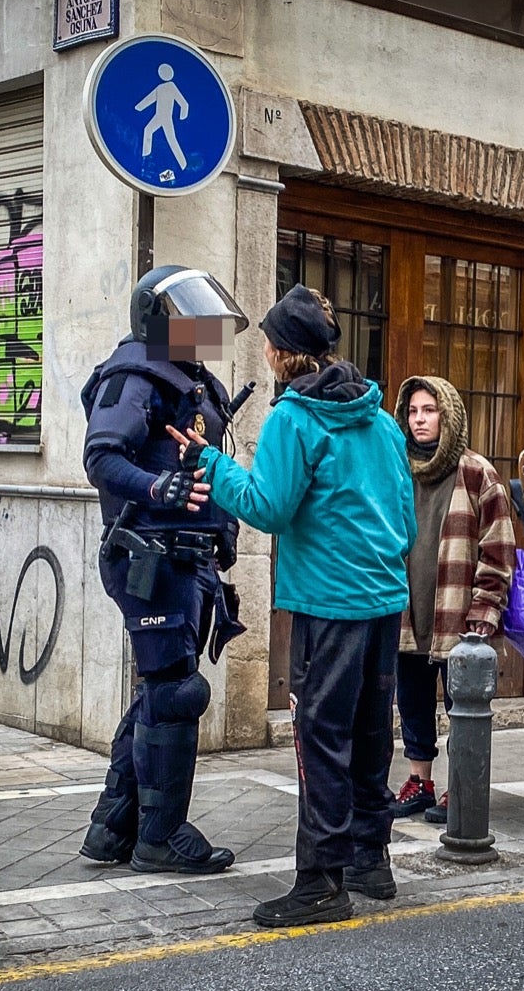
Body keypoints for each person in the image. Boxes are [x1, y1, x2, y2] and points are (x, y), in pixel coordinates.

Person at [176, 284, 417, 927]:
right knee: (370, 735)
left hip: (328, 603)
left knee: (322, 739)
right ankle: (372, 860)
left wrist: (209, 462)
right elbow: (405, 518)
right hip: (382, 599)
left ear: (279, 352)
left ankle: (320, 882)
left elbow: (266, 507)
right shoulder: (381, 418)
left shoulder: (293, 418)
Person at [78, 264, 248, 876]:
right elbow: (101, 457)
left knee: (162, 689)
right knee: (177, 692)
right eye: (189, 317)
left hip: (188, 557)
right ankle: (161, 836)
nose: (205, 330)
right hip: (148, 554)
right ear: (158, 320)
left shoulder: (199, 384)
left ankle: (112, 827)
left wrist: (222, 530)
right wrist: (159, 488)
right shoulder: (135, 374)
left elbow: (210, 469)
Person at [389, 376, 515, 825]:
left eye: (429, 410)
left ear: (449, 415)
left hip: (459, 615)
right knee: (412, 700)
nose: (419, 420)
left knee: (461, 704)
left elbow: (499, 547)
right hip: (405, 611)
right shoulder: (397, 468)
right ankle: (419, 782)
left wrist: (485, 608)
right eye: (413, 411)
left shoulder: (477, 471)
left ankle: (459, 787)